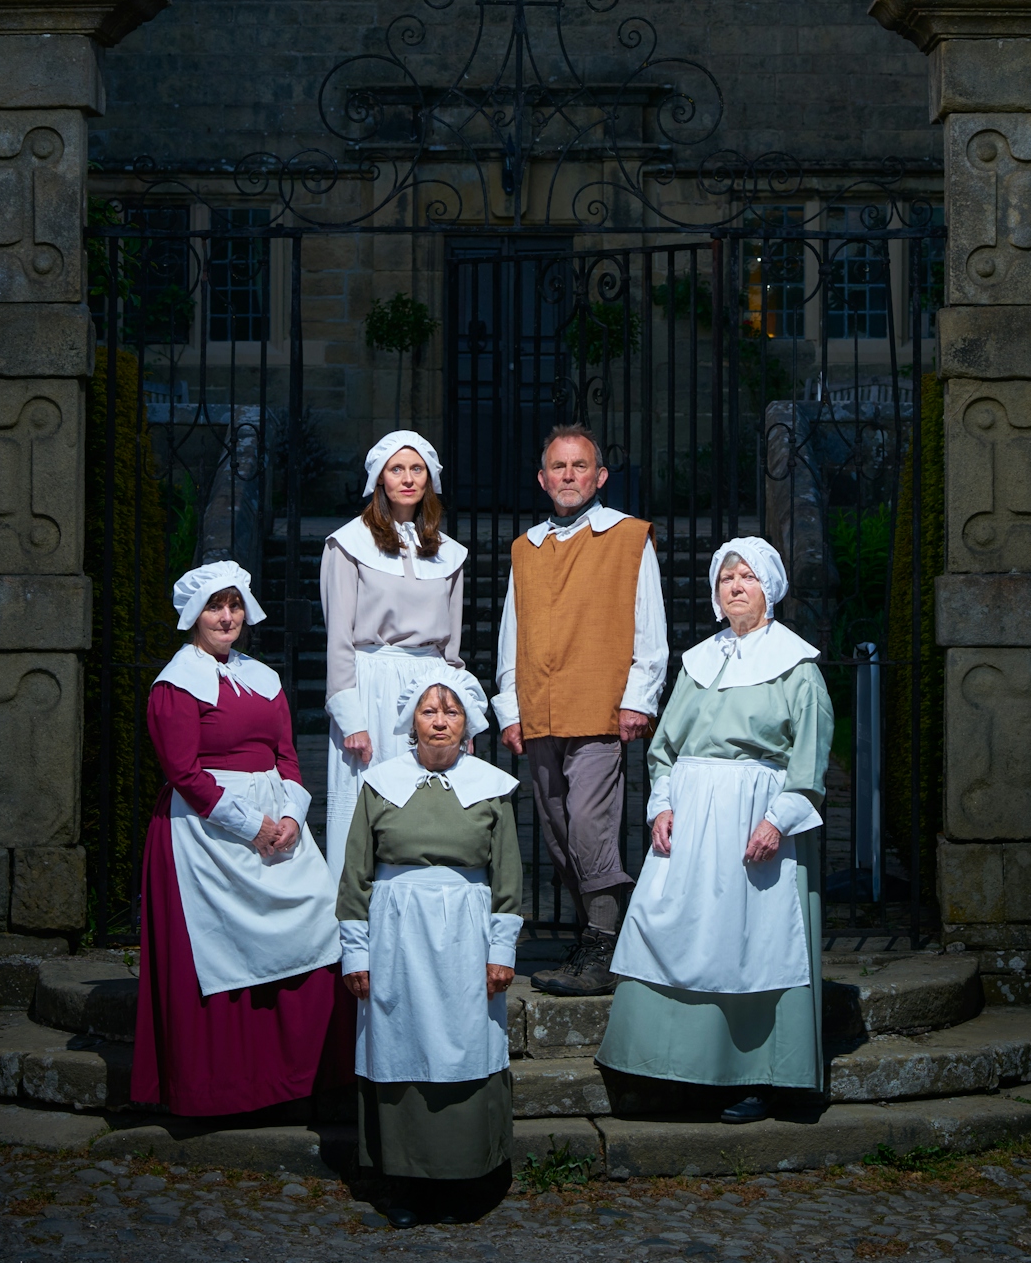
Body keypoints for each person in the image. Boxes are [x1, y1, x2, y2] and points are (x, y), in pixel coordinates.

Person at [596, 535, 833, 1122]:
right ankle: (665, 1068)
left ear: (769, 589)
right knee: (673, 931)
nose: (735, 587)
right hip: (693, 820)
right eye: (726, 578)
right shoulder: (699, 662)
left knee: (752, 947)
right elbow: (665, 748)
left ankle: (758, 1074)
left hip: (755, 821)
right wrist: (662, 806)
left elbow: (810, 755)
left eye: (747, 577)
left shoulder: (797, 667)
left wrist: (779, 820)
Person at [132, 560, 349, 1117]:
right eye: (214, 607)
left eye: (233, 606)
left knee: (323, 928)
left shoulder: (263, 678)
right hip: (206, 837)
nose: (226, 617)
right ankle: (224, 1091)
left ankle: (310, 1077)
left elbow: (287, 757)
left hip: (281, 830)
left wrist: (293, 820)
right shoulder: (175, 686)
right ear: (193, 616)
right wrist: (253, 826)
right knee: (219, 954)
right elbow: (183, 772)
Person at [337, 667, 522, 1228]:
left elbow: (508, 878)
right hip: (396, 939)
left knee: (465, 1044)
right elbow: (355, 877)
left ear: (467, 723)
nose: (440, 722)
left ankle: (467, 1177)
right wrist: (357, 954)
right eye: (428, 711)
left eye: (451, 712)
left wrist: (501, 950)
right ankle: (407, 1184)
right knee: (401, 1046)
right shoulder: (381, 786)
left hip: (466, 941)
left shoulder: (491, 789)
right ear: (411, 721)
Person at [491, 423, 667, 995]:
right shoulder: (526, 547)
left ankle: (603, 947)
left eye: (580, 466)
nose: (569, 476)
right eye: (559, 468)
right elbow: (510, 634)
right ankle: (603, 935)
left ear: (600, 476)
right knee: (557, 829)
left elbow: (650, 628)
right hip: (540, 708)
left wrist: (639, 698)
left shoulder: (628, 537)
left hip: (599, 706)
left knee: (591, 825)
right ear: (543, 479)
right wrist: (508, 707)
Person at [321, 431, 468, 877]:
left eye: (416, 468)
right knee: (364, 804)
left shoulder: (449, 554)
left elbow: (452, 650)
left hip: (428, 689)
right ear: (379, 479)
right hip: (369, 687)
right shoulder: (347, 545)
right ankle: (354, 925)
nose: (407, 478)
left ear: (430, 479)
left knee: (425, 802)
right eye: (396, 469)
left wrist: (457, 710)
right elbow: (339, 638)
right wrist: (351, 717)